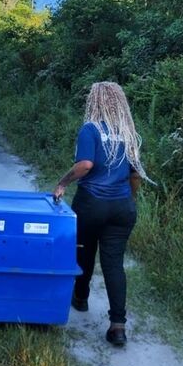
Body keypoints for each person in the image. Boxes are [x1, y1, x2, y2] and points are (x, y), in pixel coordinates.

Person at [52, 82, 150, 347]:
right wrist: (129, 199)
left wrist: (62, 183)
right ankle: (118, 326)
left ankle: (80, 297)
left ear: (94, 101)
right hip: (122, 207)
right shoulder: (128, 132)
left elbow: (85, 165)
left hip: (91, 204)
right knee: (114, 263)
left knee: (84, 251)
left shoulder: (90, 129)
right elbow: (135, 174)